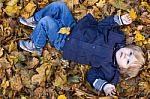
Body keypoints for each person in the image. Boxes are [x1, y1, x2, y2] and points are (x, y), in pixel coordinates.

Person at [18, 1, 145, 96]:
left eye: (127, 61)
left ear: (123, 68)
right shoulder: (116, 38)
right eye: (129, 53)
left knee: (47, 22)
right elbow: (103, 25)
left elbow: (92, 76)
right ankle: (35, 20)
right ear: (128, 47)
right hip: (74, 28)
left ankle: (36, 45)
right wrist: (119, 20)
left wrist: (105, 86)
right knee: (59, 6)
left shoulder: (109, 69)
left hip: (66, 43)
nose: (125, 56)